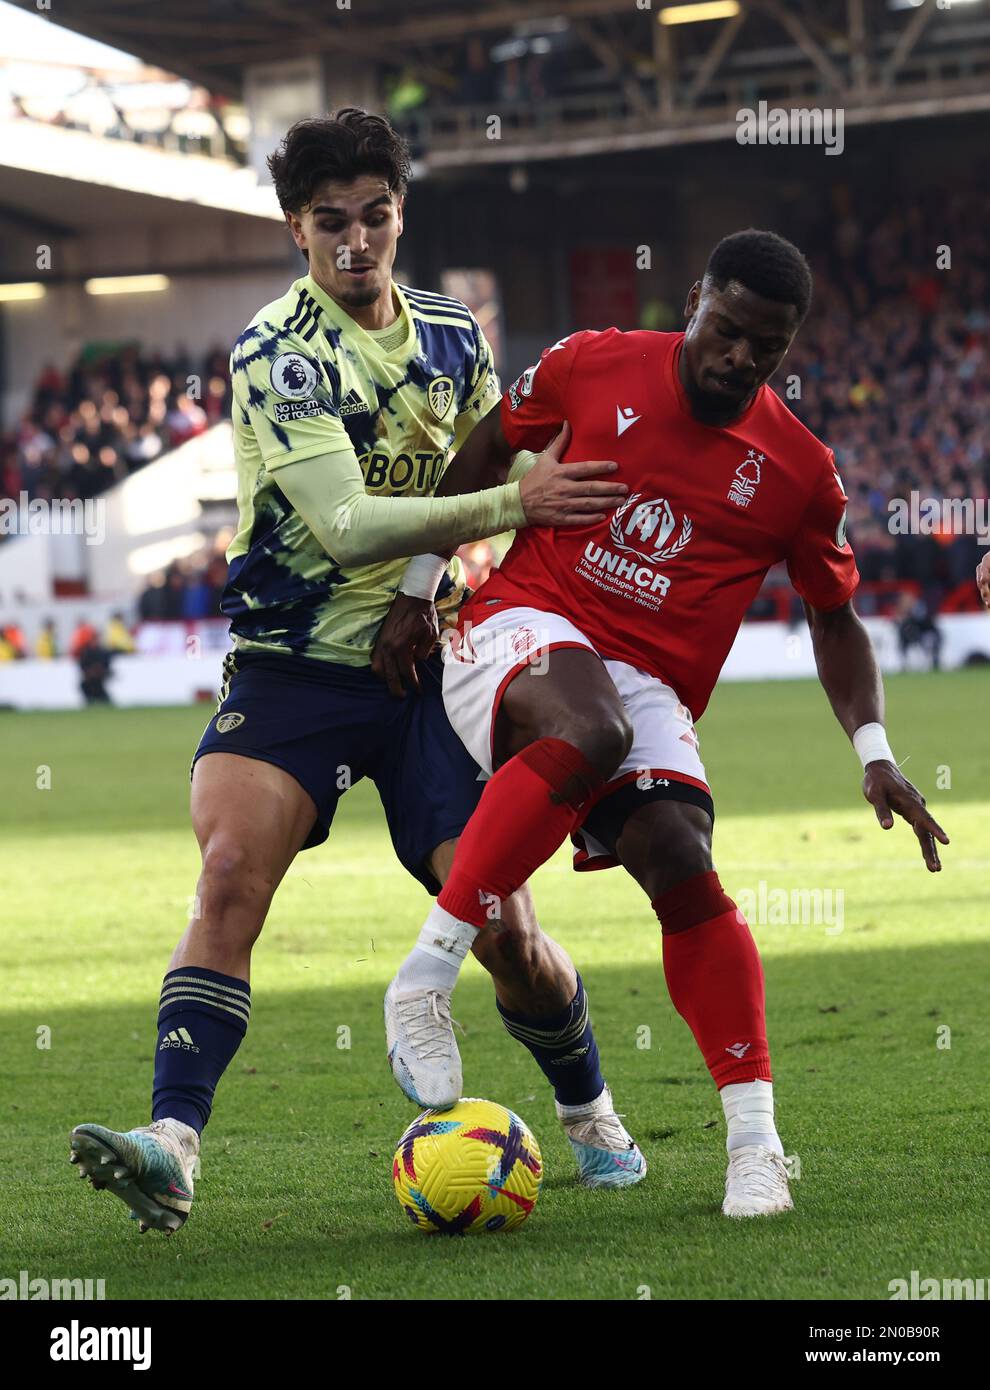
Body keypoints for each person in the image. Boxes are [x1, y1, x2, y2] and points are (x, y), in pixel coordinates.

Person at [68, 108, 639, 1236]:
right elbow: (342, 521)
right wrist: (510, 503)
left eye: (375, 215)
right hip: (291, 669)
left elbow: (493, 479)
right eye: (331, 222)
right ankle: (170, 1145)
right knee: (230, 874)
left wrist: (440, 585)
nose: (356, 240)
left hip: (429, 677)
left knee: (506, 931)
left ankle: (592, 1116)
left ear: (399, 216)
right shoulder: (276, 353)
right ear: (297, 229)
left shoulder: (452, 337)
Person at [382, 228, 949, 1218]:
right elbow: (489, 441)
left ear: (787, 347)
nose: (738, 356)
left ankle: (757, 1144)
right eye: (726, 330)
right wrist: (421, 580)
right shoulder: (593, 363)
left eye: (763, 347)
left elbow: (834, 616)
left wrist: (876, 751)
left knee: (682, 857)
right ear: (694, 299)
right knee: (589, 726)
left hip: (648, 679)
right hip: (523, 620)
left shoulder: (799, 470)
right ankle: (424, 979)